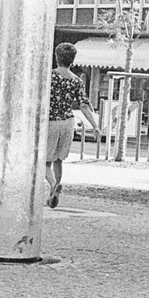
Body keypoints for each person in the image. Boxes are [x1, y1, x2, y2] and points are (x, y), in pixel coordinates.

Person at [46, 42, 97, 208]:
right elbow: (83, 105)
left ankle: (53, 185)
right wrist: (95, 126)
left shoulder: (50, 76)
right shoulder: (77, 81)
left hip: (51, 121)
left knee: (45, 161)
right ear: (72, 60)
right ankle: (52, 192)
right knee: (58, 160)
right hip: (68, 122)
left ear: (56, 57)